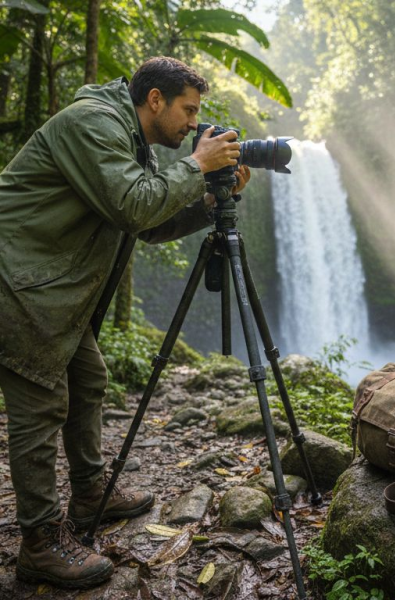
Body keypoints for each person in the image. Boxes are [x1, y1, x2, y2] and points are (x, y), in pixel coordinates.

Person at [0, 56, 251, 589]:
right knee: (40, 404)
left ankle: (90, 492)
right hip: (17, 281)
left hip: (50, 287)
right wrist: (198, 165)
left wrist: (209, 200)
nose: (192, 124)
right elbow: (135, 207)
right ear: (154, 100)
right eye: (188, 110)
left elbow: (148, 225)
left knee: (88, 380)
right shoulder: (93, 123)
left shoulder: (128, 137)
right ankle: (39, 543)